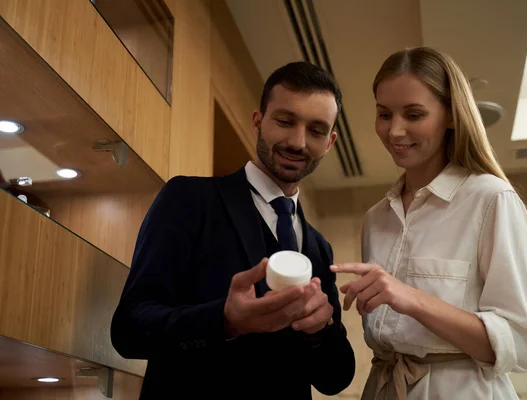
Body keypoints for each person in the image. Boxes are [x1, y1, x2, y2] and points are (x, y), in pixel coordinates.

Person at [111, 61, 355, 399]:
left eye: (315, 130)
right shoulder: (189, 199)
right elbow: (129, 329)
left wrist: (320, 331)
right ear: (258, 121)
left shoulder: (319, 247)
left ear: (329, 142)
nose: (298, 142)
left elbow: (335, 379)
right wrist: (225, 320)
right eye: (285, 121)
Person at [331, 47, 527, 400]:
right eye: (384, 114)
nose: (395, 131)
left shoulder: (491, 199)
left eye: (414, 114)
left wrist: (411, 298)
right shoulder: (375, 219)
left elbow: (519, 344)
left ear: (451, 117)